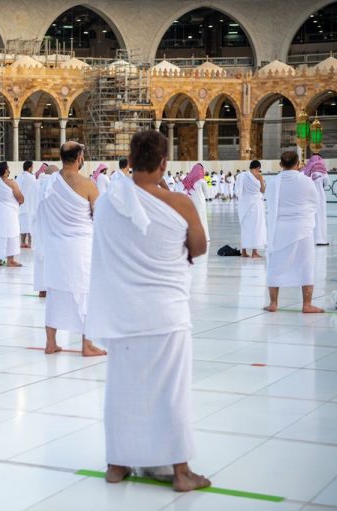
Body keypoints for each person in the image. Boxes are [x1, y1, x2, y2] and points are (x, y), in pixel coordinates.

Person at [85, 130, 209, 492]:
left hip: (124, 312)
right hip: (166, 314)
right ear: (164, 162)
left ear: (131, 160)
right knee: (171, 392)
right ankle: (181, 471)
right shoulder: (180, 203)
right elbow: (199, 247)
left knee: (122, 390)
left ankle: (117, 464)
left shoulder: (109, 203)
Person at [38, 142, 106, 357]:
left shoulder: (49, 183)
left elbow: (42, 214)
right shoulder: (88, 184)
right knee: (86, 294)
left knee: (55, 294)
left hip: (55, 247)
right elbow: (100, 216)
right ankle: (87, 345)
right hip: (80, 248)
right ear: (79, 158)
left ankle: (51, 343)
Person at [264, 151, 323, 313]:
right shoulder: (306, 181)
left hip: (280, 229)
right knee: (306, 265)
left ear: (280, 164)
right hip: (302, 229)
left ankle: (273, 303)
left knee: (276, 265)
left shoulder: (273, 183)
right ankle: (307, 304)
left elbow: (270, 204)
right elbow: (315, 202)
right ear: (298, 164)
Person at [0, 162, 24, 267]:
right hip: (9, 213)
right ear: (5, 171)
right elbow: (21, 199)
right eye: (8, 168)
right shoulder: (11, 183)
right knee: (12, 234)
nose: (9, 170)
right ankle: (10, 260)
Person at [33, 164, 59, 298]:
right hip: (50, 225)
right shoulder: (53, 183)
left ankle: (42, 290)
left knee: (40, 256)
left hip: (37, 224)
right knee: (51, 256)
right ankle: (51, 288)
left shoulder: (36, 183)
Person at [238, 161, 266, 258]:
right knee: (256, 227)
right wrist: (262, 181)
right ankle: (254, 252)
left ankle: (244, 252)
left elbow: (239, 191)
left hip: (245, 205)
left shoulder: (242, 176)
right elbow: (263, 190)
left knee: (245, 228)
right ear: (258, 167)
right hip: (256, 205)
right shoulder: (259, 176)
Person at [302, 154, 330, 246]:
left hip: (309, 197)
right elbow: (327, 183)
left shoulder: (306, 169)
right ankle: (321, 240)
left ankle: (310, 239)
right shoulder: (322, 170)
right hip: (320, 197)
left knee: (310, 217)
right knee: (320, 217)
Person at [182, 164, 209, 242]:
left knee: (192, 219)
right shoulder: (202, 181)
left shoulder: (187, 179)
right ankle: (203, 237)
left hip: (191, 202)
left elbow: (184, 191)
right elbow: (207, 194)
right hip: (200, 202)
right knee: (202, 218)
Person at [17, 161, 38, 248]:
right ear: (29, 168)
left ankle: (22, 242)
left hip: (21, 204)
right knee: (30, 225)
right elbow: (35, 189)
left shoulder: (19, 177)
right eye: (32, 167)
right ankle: (30, 243)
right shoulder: (32, 177)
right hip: (30, 204)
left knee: (23, 225)